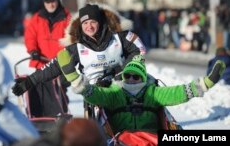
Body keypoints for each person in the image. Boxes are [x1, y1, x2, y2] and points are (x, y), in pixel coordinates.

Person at [12, 3, 147, 117]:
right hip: (95, 95)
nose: (89, 26)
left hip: (125, 86)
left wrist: (122, 73)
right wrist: (29, 82)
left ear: (100, 22)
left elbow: (139, 50)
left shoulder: (120, 38)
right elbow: (53, 67)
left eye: (93, 22)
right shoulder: (77, 48)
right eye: (85, 23)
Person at [46, 51, 225, 137]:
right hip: (121, 139)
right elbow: (93, 93)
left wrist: (206, 83)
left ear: (143, 77)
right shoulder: (115, 93)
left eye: (136, 76)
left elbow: (179, 93)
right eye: (127, 75)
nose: (131, 79)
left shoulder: (152, 92)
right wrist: (74, 77)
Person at [23, 0, 71, 117]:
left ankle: (61, 115)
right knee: (40, 90)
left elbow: (71, 38)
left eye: (53, 1)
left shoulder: (67, 17)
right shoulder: (37, 18)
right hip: (41, 62)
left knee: (58, 91)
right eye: (47, 2)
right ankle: (41, 117)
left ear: (57, 1)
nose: (50, 4)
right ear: (44, 3)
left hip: (60, 64)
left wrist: (65, 54)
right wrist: (33, 50)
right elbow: (30, 37)